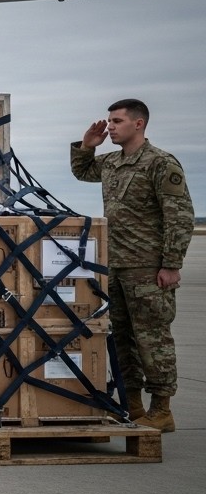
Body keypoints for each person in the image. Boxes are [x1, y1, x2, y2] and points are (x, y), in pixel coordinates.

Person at [71, 98, 193, 432]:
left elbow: (179, 215)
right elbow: (82, 172)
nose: (110, 126)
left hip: (149, 268)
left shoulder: (160, 163)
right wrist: (87, 145)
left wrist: (171, 263)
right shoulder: (111, 163)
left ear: (138, 124)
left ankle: (162, 408)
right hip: (117, 265)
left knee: (153, 339)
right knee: (121, 338)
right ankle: (132, 403)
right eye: (109, 121)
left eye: (117, 121)